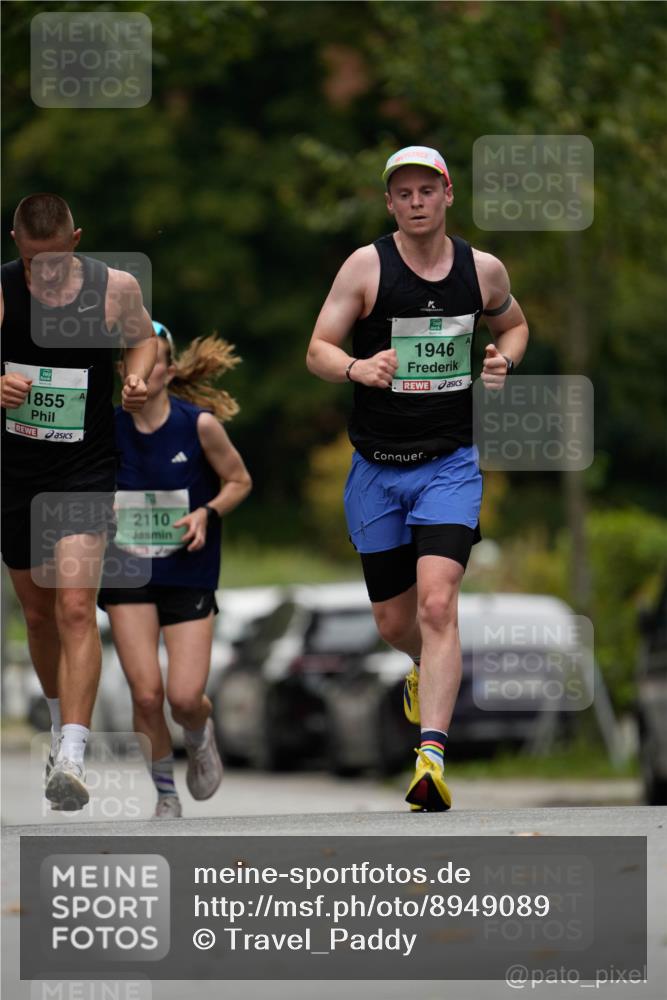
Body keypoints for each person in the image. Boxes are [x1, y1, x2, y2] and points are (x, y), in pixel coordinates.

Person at [306, 146, 529, 811]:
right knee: (393, 619)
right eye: (401, 193)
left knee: (438, 604)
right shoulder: (366, 267)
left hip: (448, 466)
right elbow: (317, 348)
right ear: (389, 204)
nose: (414, 201)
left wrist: (502, 361)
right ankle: (419, 665)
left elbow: (513, 325)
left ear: (446, 194)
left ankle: (429, 758)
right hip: (376, 470)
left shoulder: (481, 271)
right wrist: (355, 369)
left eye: (424, 190)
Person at [0, 193, 156, 811]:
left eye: (57, 261)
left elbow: (141, 341)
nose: (46, 273)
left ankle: (72, 750)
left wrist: (137, 376)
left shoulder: (113, 287)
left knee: (73, 608)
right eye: (34, 261)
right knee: (38, 616)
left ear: (77, 241)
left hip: (85, 469)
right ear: (17, 245)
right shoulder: (6, 292)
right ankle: (57, 713)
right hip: (16, 472)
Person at [97, 322, 252, 817]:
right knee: (146, 695)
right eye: (133, 360)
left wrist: (207, 512)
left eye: (154, 359)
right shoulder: (105, 428)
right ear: (125, 371)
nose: (143, 369)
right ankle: (165, 792)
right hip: (127, 573)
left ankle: (199, 733)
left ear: (167, 369)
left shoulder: (198, 424)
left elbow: (239, 481)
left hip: (188, 570)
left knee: (184, 697)